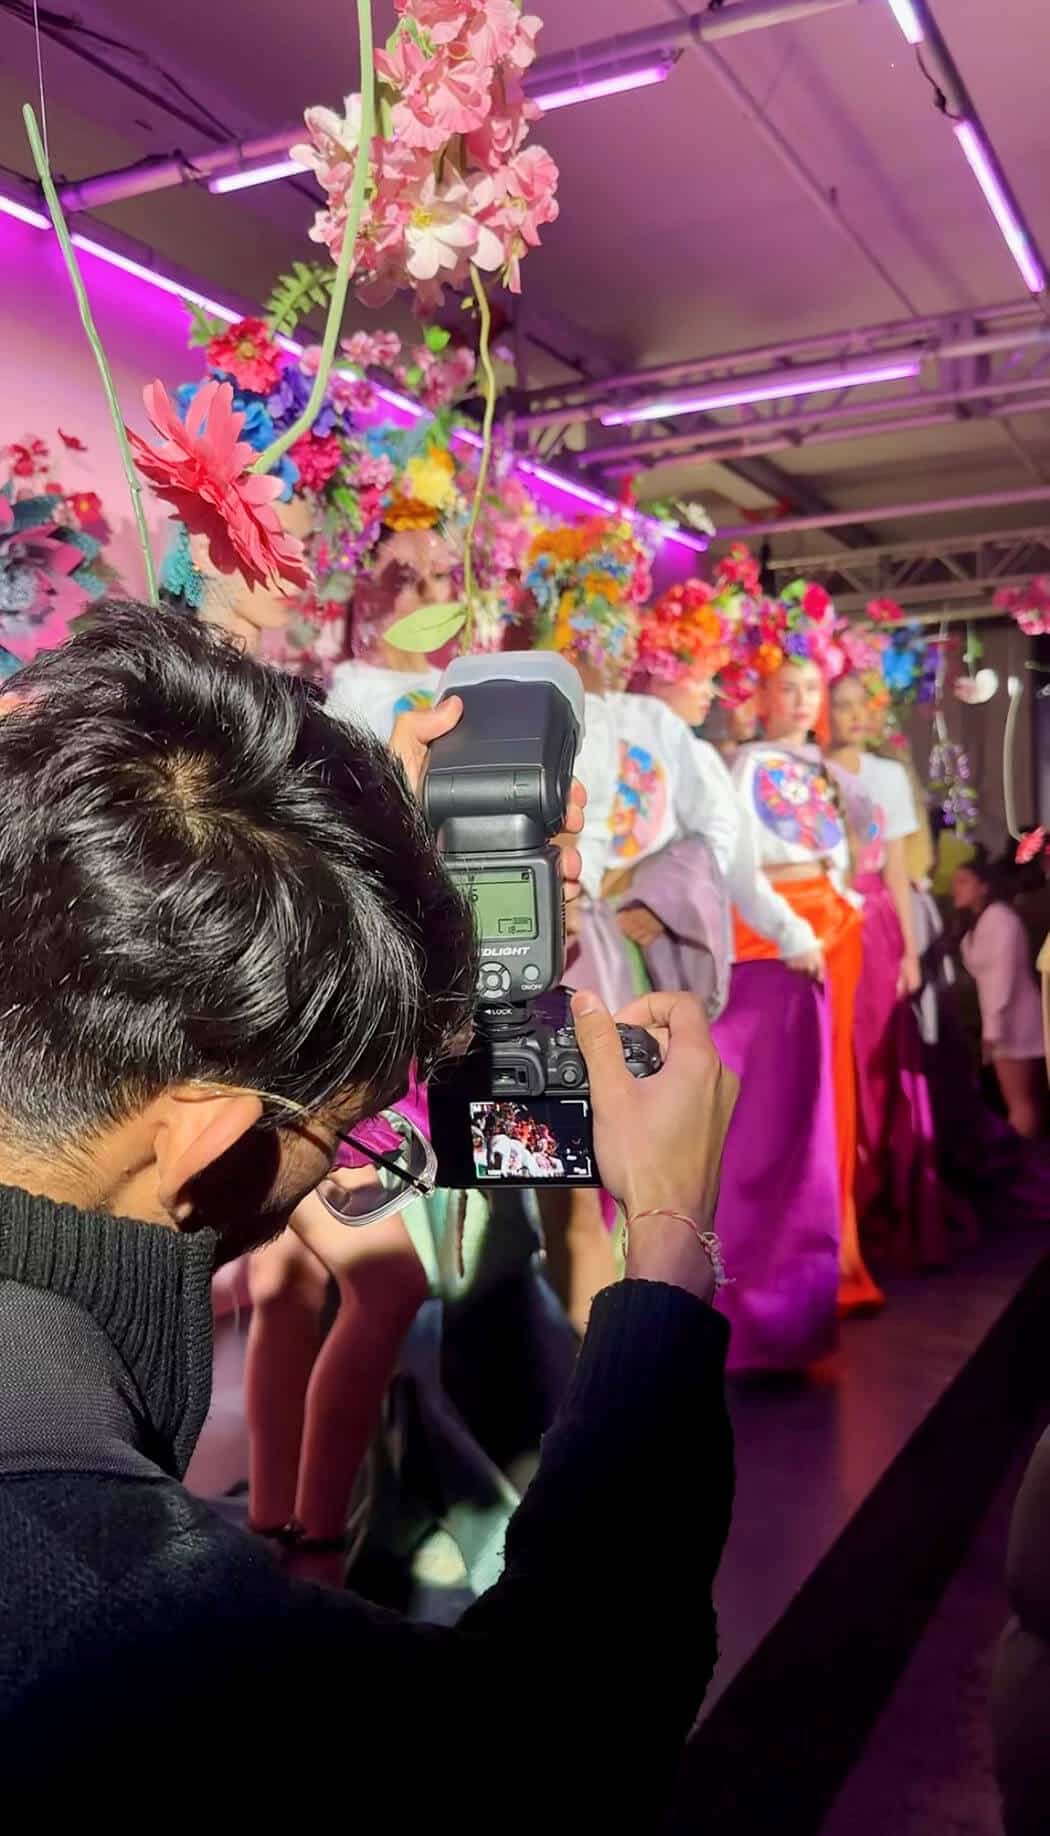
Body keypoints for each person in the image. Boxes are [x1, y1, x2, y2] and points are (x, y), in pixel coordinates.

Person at [0, 602, 738, 1820]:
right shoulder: (129, 1617)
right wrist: (667, 1242)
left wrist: (392, 925)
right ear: (209, 1146)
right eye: (338, 1128)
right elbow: (571, 1733)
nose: (351, 1151)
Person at [826, 672, 946, 1270]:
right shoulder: (806, 771)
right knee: (832, 1061)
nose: (849, 716)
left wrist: (908, 950)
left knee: (874, 1060)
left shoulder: (887, 778)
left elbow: (896, 868)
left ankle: (881, 1202)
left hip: (875, 927)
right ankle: (839, 1204)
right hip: (821, 921)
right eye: (838, 705)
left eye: (857, 706)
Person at [952, 854, 1046, 1138]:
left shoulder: (1000, 920)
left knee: (1020, 1100)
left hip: (1013, 1020)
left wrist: (992, 1031)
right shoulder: (981, 921)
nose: (956, 888)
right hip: (1001, 1017)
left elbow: (1001, 981)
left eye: (963, 881)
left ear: (983, 886)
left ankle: (1025, 1164)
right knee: (1020, 1099)